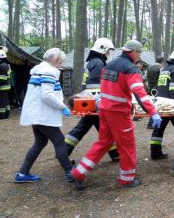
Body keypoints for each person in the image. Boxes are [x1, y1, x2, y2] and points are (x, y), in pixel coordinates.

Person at [71, 40, 162, 189]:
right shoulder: (131, 69)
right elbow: (140, 93)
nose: (139, 56)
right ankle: (127, 179)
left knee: (103, 143)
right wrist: (153, 112)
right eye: (139, 53)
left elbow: (111, 88)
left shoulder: (109, 65)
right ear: (134, 52)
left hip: (105, 110)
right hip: (119, 114)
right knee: (127, 145)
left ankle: (79, 172)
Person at [15, 48, 73, 183]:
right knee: (59, 140)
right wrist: (62, 106)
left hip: (36, 114)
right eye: (60, 63)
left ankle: (22, 173)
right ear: (56, 61)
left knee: (40, 142)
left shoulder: (39, 70)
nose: (60, 65)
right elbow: (47, 95)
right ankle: (70, 172)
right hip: (42, 115)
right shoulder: (49, 71)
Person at [65, 38, 119, 161]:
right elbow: (96, 87)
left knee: (90, 127)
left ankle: (115, 153)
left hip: (90, 102)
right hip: (94, 102)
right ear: (102, 49)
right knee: (98, 128)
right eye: (108, 51)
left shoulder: (93, 62)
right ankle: (63, 151)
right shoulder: (98, 63)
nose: (108, 54)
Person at [145, 56, 164, 129]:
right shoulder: (161, 69)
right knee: (156, 105)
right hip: (158, 89)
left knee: (152, 104)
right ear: (162, 62)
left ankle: (152, 122)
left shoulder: (149, 68)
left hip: (150, 89)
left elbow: (144, 78)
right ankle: (151, 123)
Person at [0, 49, 11, 120]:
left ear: (0, 56)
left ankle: (1, 116)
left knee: (0, 102)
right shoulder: (5, 64)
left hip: (2, 86)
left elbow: (2, 77)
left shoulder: (2, 66)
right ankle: (6, 115)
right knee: (5, 101)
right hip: (5, 86)